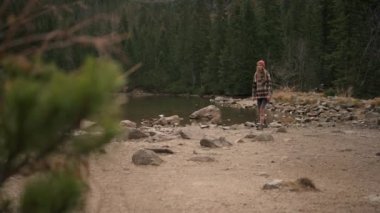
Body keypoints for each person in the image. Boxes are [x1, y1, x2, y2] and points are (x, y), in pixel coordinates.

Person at [252, 59, 272, 130]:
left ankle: (261, 125)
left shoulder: (266, 74)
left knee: (261, 110)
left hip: (265, 95)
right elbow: (254, 86)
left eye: (260, 65)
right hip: (258, 95)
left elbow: (269, 85)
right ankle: (265, 123)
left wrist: (269, 94)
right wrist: (253, 95)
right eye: (258, 65)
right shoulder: (256, 74)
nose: (258, 66)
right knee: (259, 110)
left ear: (263, 66)